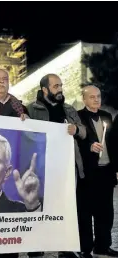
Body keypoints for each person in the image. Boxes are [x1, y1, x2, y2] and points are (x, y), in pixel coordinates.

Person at [27, 73, 86, 258]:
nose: (60, 89)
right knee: (39, 205)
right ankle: (36, 246)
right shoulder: (31, 109)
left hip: (66, 168)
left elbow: (83, 132)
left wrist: (76, 130)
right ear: (44, 90)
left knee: (65, 206)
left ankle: (65, 246)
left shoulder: (68, 109)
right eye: (55, 86)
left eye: (61, 85)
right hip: (41, 167)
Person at [77, 85, 118, 258]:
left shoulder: (107, 116)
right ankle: (85, 248)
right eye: (92, 97)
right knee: (85, 213)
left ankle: (103, 246)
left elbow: (115, 143)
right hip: (88, 173)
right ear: (84, 99)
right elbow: (75, 141)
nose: (96, 99)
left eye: (98, 96)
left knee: (106, 213)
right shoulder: (78, 117)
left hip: (106, 172)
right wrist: (89, 146)